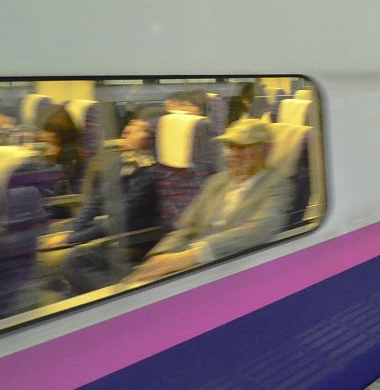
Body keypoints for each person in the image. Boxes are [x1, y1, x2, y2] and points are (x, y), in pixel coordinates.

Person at [123, 119, 289, 284]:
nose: (233, 154)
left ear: (265, 150)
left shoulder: (277, 185)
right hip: (189, 266)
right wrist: (159, 257)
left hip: (232, 269)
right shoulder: (217, 181)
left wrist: (190, 256)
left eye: (243, 147)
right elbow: (186, 228)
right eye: (231, 147)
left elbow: (257, 231)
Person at [46, 108, 166, 295]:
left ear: (150, 138)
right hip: (115, 233)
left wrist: (70, 240)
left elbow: (121, 218)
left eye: (138, 128)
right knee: (63, 268)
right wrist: (73, 230)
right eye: (130, 124)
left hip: (138, 239)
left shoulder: (151, 173)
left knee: (75, 260)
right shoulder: (121, 163)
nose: (127, 129)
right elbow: (96, 201)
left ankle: (121, 300)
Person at [38, 104, 86, 194]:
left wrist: (50, 160)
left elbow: (62, 180)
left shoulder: (70, 152)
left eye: (48, 131)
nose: (43, 135)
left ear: (59, 133)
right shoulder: (64, 148)